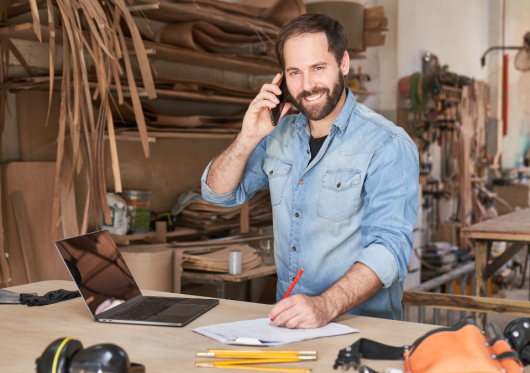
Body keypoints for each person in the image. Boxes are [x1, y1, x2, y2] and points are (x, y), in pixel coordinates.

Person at [201, 13, 419, 328]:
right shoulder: (278, 134)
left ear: (343, 64)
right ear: (282, 78)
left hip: (362, 331)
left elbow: (390, 249)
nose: (307, 85)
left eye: (318, 68)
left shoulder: (388, 144)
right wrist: (247, 137)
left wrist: (325, 306)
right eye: (295, 72)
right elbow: (217, 194)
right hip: (289, 327)